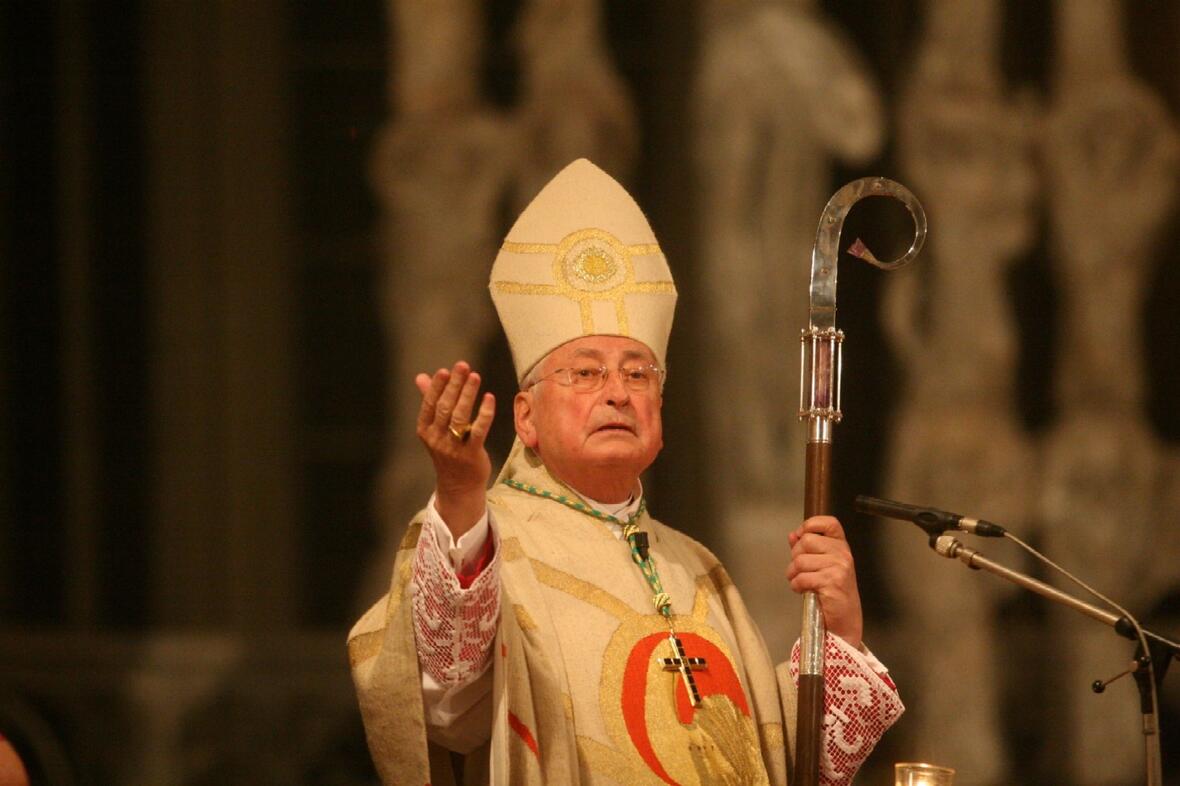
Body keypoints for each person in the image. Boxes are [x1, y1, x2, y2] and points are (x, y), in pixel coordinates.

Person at [348, 159, 903, 785]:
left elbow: (778, 763)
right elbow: (450, 710)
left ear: (660, 408)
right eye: (585, 372)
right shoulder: (479, 543)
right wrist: (457, 489)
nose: (617, 392)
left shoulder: (697, 569)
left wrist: (841, 632)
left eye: (638, 373)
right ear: (524, 417)